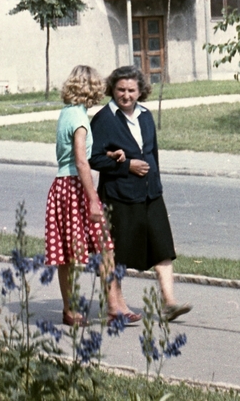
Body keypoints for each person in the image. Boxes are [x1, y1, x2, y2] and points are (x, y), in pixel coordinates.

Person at [88, 65, 191, 324]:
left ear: (140, 91)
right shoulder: (103, 119)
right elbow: (94, 158)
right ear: (112, 89)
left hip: (150, 195)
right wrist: (126, 165)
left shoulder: (145, 115)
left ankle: (169, 303)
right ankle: (116, 305)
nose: (126, 95)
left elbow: (152, 153)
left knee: (163, 248)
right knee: (118, 252)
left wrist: (155, 181)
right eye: (121, 89)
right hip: (119, 195)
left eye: (132, 90)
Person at [43, 65, 114, 327]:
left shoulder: (67, 114)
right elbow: (82, 162)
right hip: (75, 188)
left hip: (61, 186)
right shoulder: (81, 120)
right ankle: (113, 306)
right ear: (92, 89)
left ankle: (69, 309)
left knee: (68, 254)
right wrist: (93, 199)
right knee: (104, 247)